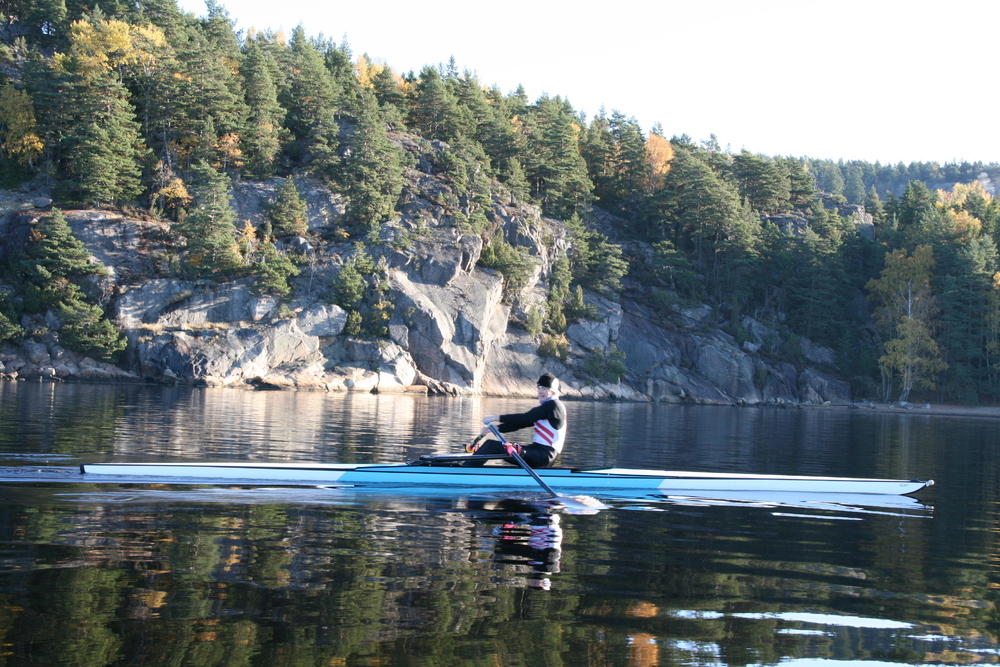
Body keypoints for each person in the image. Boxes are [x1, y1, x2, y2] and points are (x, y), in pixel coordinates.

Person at [467, 373, 566, 468]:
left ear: (553, 392)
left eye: (544, 389)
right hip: (538, 452)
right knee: (493, 446)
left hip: (544, 456)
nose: (540, 391)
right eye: (539, 388)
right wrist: (495, 428)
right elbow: (519, 424)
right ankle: (467, 466)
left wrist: (495, 417)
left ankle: (465, 469)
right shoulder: (548, 408)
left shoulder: (554, 406)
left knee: (491, 445)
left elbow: (524, 418)